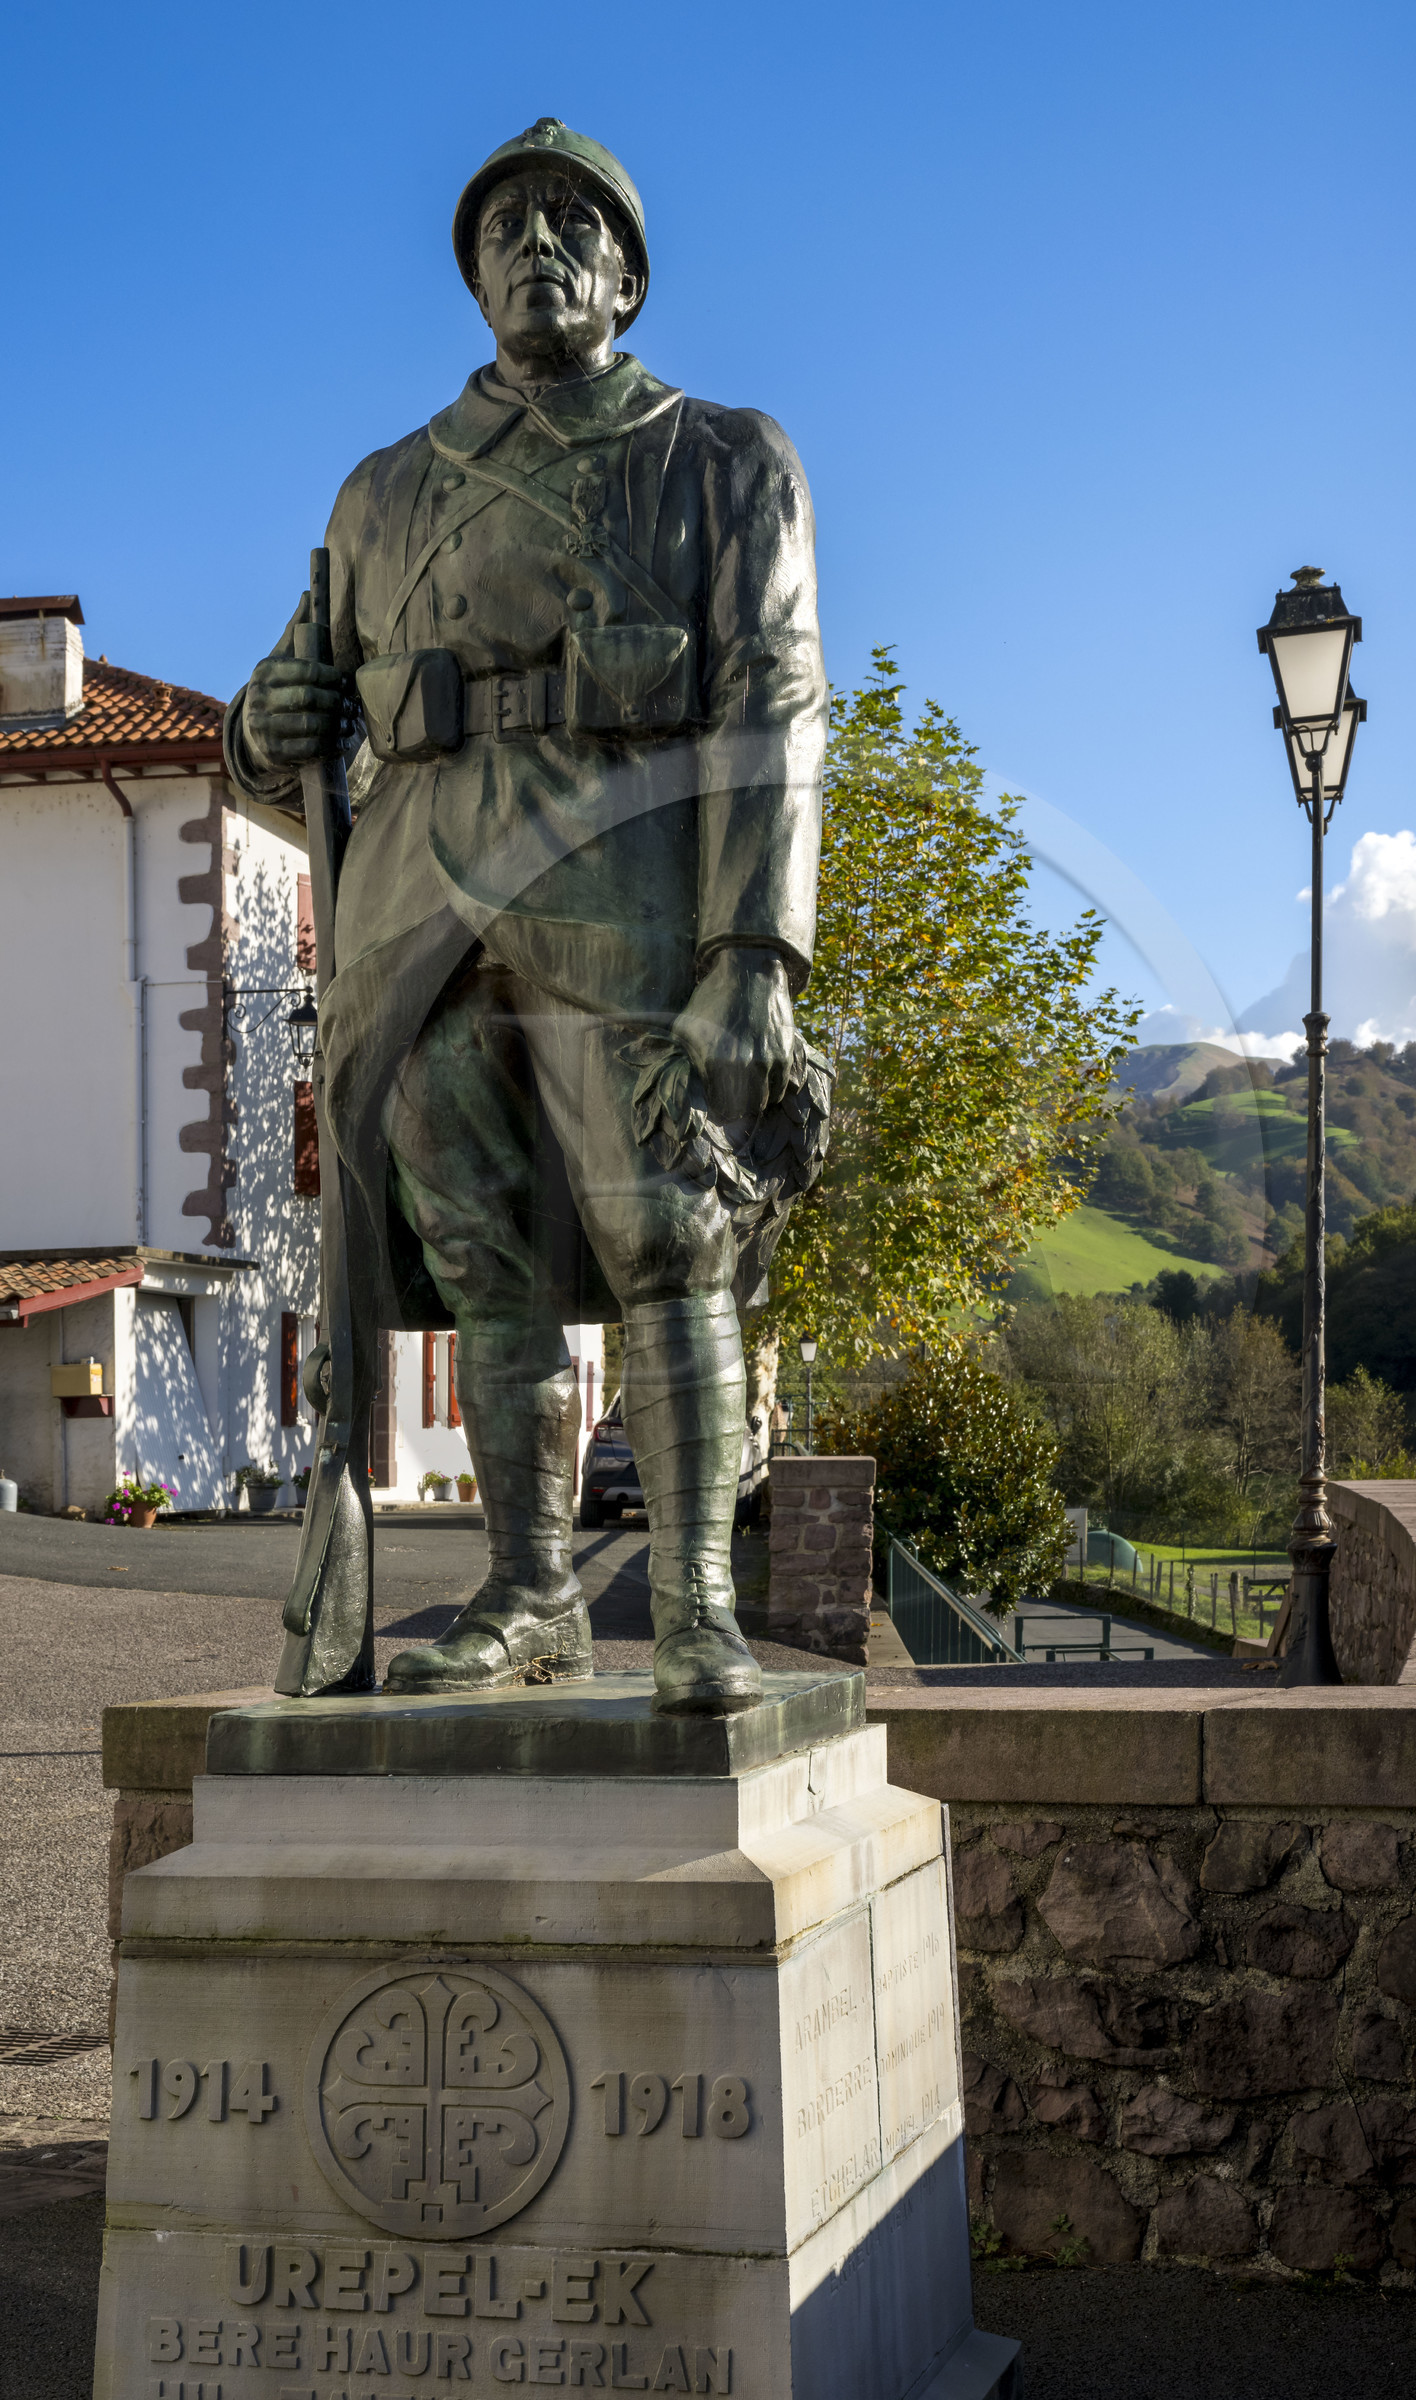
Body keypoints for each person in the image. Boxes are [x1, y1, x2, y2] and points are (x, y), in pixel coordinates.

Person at [227, 120, 825, 1712]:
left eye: (575, 226)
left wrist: (757, 950)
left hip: (625, 890)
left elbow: (777, 705)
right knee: (479, 1254)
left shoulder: (722, 458)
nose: (538, 247)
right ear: (473, 277)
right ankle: (529, 1589)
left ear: (627, 275)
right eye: (507, 229)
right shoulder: (382, 492)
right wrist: (258, 722)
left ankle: (694, 1603)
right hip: (417, 913)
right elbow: (298, 699)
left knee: (664, 1238)